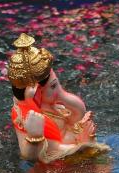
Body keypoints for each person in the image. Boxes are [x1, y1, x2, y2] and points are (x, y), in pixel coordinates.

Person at [8, 33, 108, 163]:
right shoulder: (23, 116)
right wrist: (35, 137)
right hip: (57, 166)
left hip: (75, 149)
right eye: (54, 86)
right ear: (37, 93)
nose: (59, 91)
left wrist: (83, 138)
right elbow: (29, 156)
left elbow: (77, 117)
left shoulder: (54, 105)